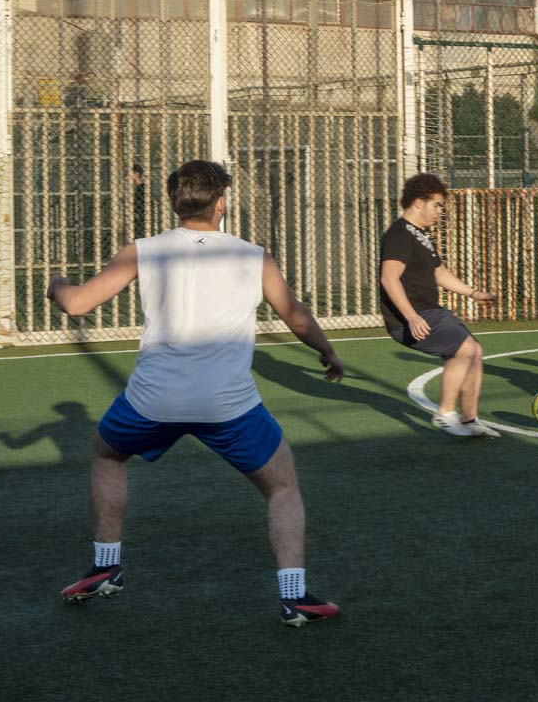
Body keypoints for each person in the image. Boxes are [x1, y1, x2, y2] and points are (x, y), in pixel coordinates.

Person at [49, 160, 344, 626]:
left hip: (152, 401)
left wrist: (58, 284)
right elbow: (297, 316)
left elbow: (78, 303)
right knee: (282, 485)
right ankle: (295, 595)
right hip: (228, 405)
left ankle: (106, 567)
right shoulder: (253, 256)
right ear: (222, 203)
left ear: (173, 201)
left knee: (106, 454)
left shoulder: (142, 250)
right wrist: (327, 351)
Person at [380, 172, 501, 438]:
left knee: (474, 352)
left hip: (430, 312)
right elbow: (389, 278)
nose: (440, 211)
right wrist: (411, 317)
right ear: (418, 202)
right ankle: (446, 414)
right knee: (467, 349)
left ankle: (470, 420)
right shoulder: (399, 234)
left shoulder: (420, 235)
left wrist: (474, 293)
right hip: (411, 317)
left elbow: (440, 273)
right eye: (436, 204)